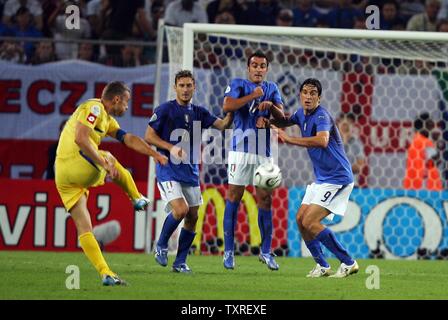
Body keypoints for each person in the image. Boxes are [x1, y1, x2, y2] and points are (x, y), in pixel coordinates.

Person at [55, 81, 168, 286]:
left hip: (64, 178)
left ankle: (105, 273)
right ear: (116, 99)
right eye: (126, 102)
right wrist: (103, 163)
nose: (126, 107)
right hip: (75, 162)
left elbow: (129, 139)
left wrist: (154, 154)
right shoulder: (95, 107)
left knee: (85, 227)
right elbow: (81, 138)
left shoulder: (107, 120)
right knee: (109, 158)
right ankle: (136, 197)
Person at [145, 70, 233, 273]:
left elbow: (222, 126)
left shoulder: (199, 112)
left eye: (188, 85)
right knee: (180, 210)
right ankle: (161, 245)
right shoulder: (165, 109)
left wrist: (233, 109)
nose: (185, 89)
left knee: (192, 217)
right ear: (175, 87)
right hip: (168, 169)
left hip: (190, 172)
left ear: (194, 87)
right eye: (181, 85)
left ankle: (180, 262)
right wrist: (170, 147)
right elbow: (149, 136)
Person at [270, 78, 359, 278]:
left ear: (319, 97)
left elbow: (322, 140)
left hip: (338, 178)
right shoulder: (300, 113)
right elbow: (284, 120)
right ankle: (322, 265)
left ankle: (348, 262)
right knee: (301, 219)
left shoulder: (322, 116)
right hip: (322, 179)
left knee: (311, 221)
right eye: (305, 92)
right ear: (300, 95)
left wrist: (289, 138)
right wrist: (266, 119)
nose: (308, 97)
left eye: (312, 93)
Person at [222, 50, 286, 271]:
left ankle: (266, 252)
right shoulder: (239, 84)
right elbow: (227, 106)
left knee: (265, 200)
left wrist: (271, 109)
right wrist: (253, 96)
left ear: (267, 70)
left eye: (262, 66)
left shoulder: (272, 89)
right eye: (255, 65)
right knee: (234, 197)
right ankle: (229, 252)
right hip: (239, 151)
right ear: (248, 68)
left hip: (263, 154)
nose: (258, 69)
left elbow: (283, 118)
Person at [403, 112, 443, 191]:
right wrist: (436, 143)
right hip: (428, 188)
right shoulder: (426, 142)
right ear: (422, 125)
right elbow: (435, 161)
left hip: (413, 186)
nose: (432, 126)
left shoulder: (415, 141)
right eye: (430, 123)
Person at [336, 112, 366, 187]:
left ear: (352, 126)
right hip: (333, 184)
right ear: (339, 125)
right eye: (343, 124)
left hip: (352, 185)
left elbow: (359, 166)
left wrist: (340, 169)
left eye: (348, 124)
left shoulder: (357, 143)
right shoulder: (332, 142)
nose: (345, 127)